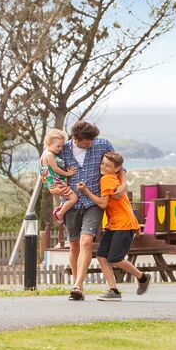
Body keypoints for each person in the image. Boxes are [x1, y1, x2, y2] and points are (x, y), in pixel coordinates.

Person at [49, 121, 127, 301]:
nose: (91, 143)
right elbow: (49, 174)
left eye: (93, 139)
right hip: (71, 203)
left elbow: (120, 168)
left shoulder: (103, 144)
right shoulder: (63, 149)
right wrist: (54, 189)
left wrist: (122, 185)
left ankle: (76, 286)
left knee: (86, 242)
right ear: (76, 139)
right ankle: (80, 286)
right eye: (87, 141)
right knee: (74, 244)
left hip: (93, 203)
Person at [77, 151, 151, 301]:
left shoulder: (107, 180)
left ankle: (142, 277)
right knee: (102, 256)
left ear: (117, 168)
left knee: (115, 258)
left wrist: (86, 191)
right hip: (114, 224)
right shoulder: (112, 177)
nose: (103, 167)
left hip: (124, 223)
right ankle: (113, 290)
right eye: (103, 163)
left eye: (108, 165)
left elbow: (103, 204)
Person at [39, 128, 78, 224]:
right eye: (58, 146)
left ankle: (60, 208)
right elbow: (56, 169)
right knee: (74, 198)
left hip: (52, 183)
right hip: (56, 183)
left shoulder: (45, 153)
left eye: (62, 146)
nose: (61, 149)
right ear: (48, 144)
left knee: (67, 196)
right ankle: (60, 213)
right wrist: (68, 174)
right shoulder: (49, 155)